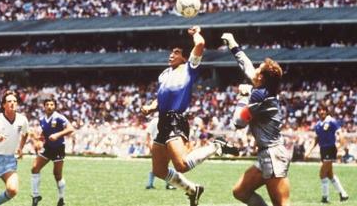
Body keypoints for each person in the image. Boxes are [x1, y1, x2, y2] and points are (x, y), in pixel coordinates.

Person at [141, 26, 238, 206]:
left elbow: (200, 44)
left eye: (176, 53)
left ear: (184, 57)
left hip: (175, 119)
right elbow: (161, 97)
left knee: (182, 166)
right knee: (159, 170)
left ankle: (216, 146)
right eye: (171, 53)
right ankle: (193, 190)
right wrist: (151, 107)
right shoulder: (164, 74)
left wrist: (196, 34)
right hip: (162, 120)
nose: (171, 55)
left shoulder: (189, 68)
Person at [221, 33, 291, 206]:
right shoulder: (263, 90)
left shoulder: (259, 95)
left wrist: (244, 97)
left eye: (258, 70)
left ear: (261, 78)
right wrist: (233, 45)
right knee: (241, 191)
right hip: (268, 153)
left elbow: (238, 122)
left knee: (281, 204)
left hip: (273, 154)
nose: (255, 71)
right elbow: (247, 66)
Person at [31, 98, 75, 206]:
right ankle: (36, 196)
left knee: (57, 175)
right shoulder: (42, 119)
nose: (49, 106)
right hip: (48, 148)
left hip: (58, 148)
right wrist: (38, 138)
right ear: (44, 106)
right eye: (47, 104)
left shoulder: (59, 117)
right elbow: (44, 135)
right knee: (34, 168)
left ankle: (61, 199)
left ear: (54, 106)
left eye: (52, 104)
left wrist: (57, 135)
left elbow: (71, 129)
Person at [305, 104, 349, 203]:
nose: (321, 112)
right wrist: (309, 151)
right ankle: (343, 194)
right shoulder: (317, 125)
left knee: (322, 173)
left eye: (323, 110)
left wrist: (340, 149)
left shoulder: (332, 121)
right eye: (319, 110)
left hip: (330, 149)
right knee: (329, 174)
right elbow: (316, 140)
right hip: (323, 150)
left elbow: (341, 135)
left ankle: (325, 197)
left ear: (326, 111)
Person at [144, 116, 176, 190]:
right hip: (161, 145)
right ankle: (151, 184)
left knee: (161, 165)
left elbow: (148, 134)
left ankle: (150, 184)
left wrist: (149, 145)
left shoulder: (156, 120)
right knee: (159, 166)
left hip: (160, 145)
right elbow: (148, 134)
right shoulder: (159, 121)